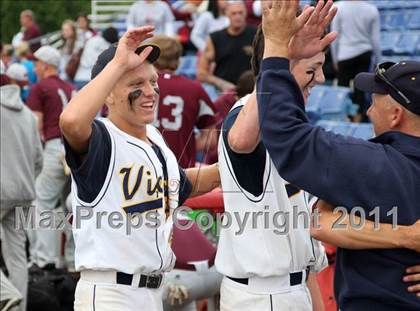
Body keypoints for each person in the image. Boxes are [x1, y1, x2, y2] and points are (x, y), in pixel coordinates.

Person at [255, 1, 420, 310]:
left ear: (396, 114)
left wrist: (278, 48)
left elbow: (285, 134)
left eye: (375, 101)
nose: (368, 110)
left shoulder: (372, 161)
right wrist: (403, 236)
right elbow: (320, 223)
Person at [59, 26, 220, 310]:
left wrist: (235, 166)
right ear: (107, 94)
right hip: (111, 292)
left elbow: (181, 184)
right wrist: (119, 62)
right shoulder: (102, 137)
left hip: (150, 291)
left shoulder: (153, 136)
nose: (150, 92)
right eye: (136, 85)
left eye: (153, 82)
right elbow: (71, 121)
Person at [215, 2, 339, 309]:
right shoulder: (247, 112)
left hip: (292, 286)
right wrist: (281, 52)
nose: (320, 79)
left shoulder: (289, 122)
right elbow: (241, 141)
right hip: (261, 294)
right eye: (311, 69)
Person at [26, 45, 76, 270]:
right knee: (72, 207)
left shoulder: (40, 88)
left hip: (55, 147)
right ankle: (72, 260)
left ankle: (44, 260)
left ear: (45, 65)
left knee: (42, 204)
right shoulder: (69, 86)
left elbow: (36, 125)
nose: (35, 67)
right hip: (75, 149)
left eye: (37, 63)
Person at [1, 72, 43, 311]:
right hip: (24, 192)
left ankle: (4, 293)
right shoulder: (27, 114)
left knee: (16, 257)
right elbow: (38, 159)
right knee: (18, 258)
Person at [150, 35, 217, 168]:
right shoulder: (194, 89)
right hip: (181, 168)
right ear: (178, 60)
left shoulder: (139, 85)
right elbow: (210, 139)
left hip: (143, 167)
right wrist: (186, 147)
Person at [331, 0, 381, 121]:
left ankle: (343, 119)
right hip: (364, 53)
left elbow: (334, 36)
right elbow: (375, 39)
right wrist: (379, 61)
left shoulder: (338, 7)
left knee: (342, 89)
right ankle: (356, 121)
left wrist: (334, 59)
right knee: (360, 89)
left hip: (344, 54)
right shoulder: (371, 9)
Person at [197, 0, 256, 92]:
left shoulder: (256, 35)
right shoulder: (215, 38)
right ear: (226, 15)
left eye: (240, 13)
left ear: (246, 14)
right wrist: (220, 83)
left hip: (251, 90)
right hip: (224, 92)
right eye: (234, 13)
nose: (238, 17)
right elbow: (201, 73)